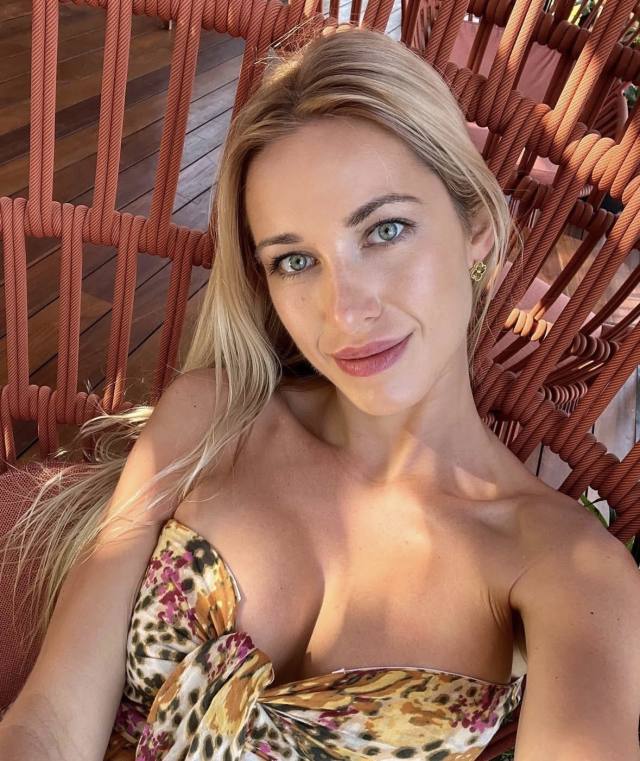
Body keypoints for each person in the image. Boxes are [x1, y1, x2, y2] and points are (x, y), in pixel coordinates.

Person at [1, 20, 638, 761]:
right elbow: (50, 720)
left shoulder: (568, 570)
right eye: (296, 261)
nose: (345, 311)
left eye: (385, 230)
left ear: (477, 229)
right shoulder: (210, 418)